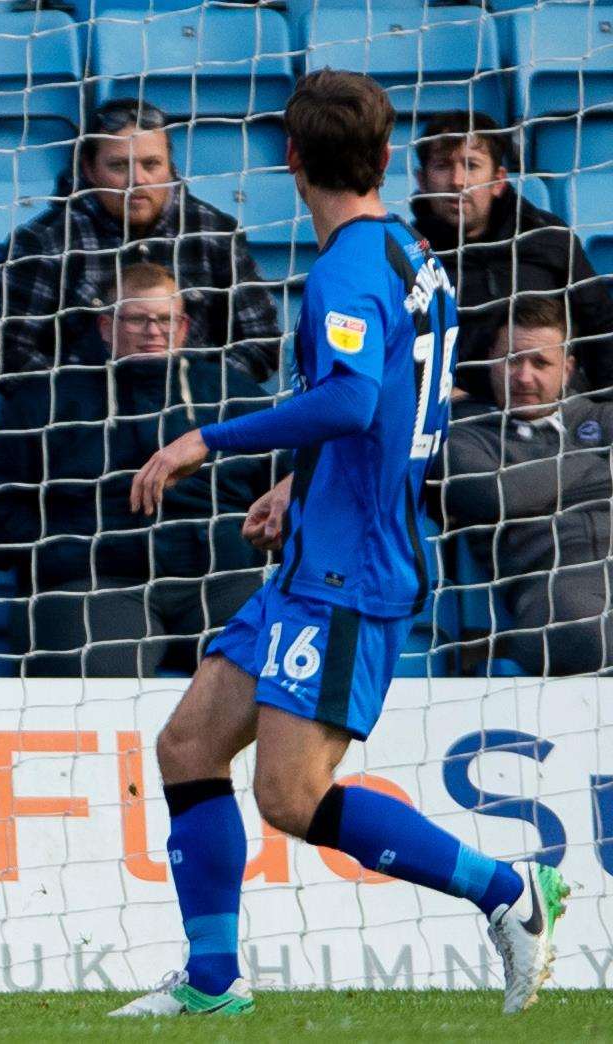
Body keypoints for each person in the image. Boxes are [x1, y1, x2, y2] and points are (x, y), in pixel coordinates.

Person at [120, 70, 565, 1018]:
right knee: (189, 743)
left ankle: (508, 893)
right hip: (318, 549)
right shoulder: (416, 251)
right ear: (388, 157)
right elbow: (407, 405)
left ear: (289, 159)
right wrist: (303, 483)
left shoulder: (345, 271)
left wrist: (212, 438)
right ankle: (211, 982)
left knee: (290, 795)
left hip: (353, 573)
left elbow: (354, 398)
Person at [0, 262, 274, 677]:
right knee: (97, 676)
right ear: (105, 326)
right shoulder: (47, 399)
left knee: (278, 662)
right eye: (137, 319)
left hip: (222, 581)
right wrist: (66, 553)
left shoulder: (232, 393)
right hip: (95, 586)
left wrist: (247, 543)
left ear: (184, 327)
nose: (153, 331)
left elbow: (291, 482)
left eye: (165, 319)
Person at [0, 98, 282, 392]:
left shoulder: (214, 233)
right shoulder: (45, 242)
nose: (137, 180)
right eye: (118, 166)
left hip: (194, 423)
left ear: (170, 166)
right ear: (89, 170)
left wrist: (199, 394)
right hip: (82, 432)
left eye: (151, 164)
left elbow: (261, 341)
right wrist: (80, 402)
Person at [440, 296, 613, 675]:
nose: (523, 377)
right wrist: (600, 464)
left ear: (567, 368)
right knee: (586, 636)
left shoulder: (601, 416)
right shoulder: (465, 436)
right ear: (491, 361)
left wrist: (544, 480)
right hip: (557, 585)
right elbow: (496, 495)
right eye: (512, 360)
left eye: (541, 362)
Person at [410, 110, 613, 398]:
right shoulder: (410, 257)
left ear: (498, 181)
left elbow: (602, 327)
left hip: (558, 410)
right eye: (442, 166)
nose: (457, 181)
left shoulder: (547, 237)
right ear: (422, 179)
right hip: (461, 420)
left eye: (471, 165)